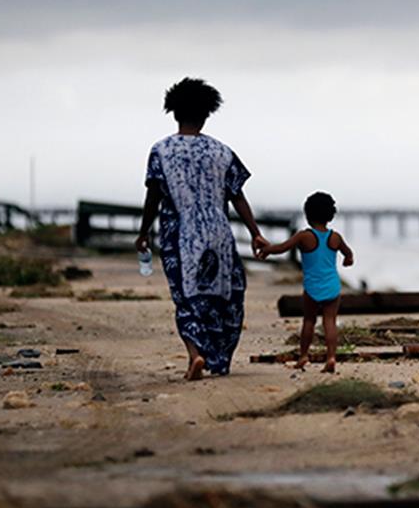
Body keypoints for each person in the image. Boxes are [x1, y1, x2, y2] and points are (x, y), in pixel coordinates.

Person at [135, 77, 270, 381]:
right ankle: (219, 359)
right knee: (225, 295)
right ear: (208, 113)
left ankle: (195, 355)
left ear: (173, 111)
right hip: (219, 234)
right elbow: (237, 195)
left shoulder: (161, 151)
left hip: (178, 233)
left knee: (186, 296)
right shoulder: (221, 151)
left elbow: (153, 196)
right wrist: (255, 232)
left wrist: (143, 233)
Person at [259, 192, 354, 373]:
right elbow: (348, 254)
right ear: (330, 215)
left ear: (308, 215)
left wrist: (266, 250)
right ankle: (331, 357)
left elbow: (282, 248)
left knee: (309, 321)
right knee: (330, 321)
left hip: (312, 288)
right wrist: (347, 260)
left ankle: (303, 356)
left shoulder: (304, 236)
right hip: (332, 285)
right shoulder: (336, 237)